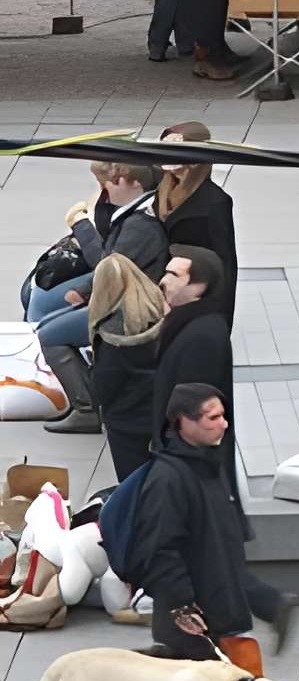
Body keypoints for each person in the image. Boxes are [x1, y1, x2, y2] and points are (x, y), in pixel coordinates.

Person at [115, 382, 293, 681]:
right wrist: (182, 606)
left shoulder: (207, 463)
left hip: (214, 598)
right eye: (213, 417)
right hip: (191, 610)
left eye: (223, 415)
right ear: (183, 422)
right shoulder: (169, 478)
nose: (224, 424)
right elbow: (161, 548)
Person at [36, 161, 169, 435]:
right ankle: (88, 397)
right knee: (47, 323)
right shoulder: (137, 214)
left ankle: (86, 408)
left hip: (126, 307)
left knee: (50, 336)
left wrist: (82, 226)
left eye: (110, 184)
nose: (105, 192)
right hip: (119, 296)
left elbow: (106, 264)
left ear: (134, 184)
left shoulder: (140, 225)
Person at [88, 250, 164, 480]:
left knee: (132, 482)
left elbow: (104, 387)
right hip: (159, 411)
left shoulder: (111, 336)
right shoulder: (157, 313)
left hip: (125, 422)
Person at [155, 122, 238, 323]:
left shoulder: (215, 202)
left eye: (174, 150)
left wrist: (220, 317)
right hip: (162, 282)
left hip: (191, 290)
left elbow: (225, 263)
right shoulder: (162, 189)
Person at [151, 247, 234, 445]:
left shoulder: (203, 337)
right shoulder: (188, 323)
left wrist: (169, 447)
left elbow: (195, 411)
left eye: (173, 275)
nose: (163, 281)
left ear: (200, 286)